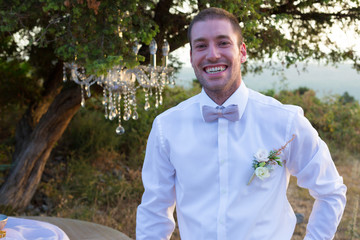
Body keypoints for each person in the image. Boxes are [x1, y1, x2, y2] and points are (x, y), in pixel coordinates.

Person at [136, 7, 346, 240]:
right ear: (192, 57)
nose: (213, 54)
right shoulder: (167, 127)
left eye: (223, 43)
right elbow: (154, 212)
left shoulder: (286, 122)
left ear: (242, 52)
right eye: (201, 45)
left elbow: (331, 192)